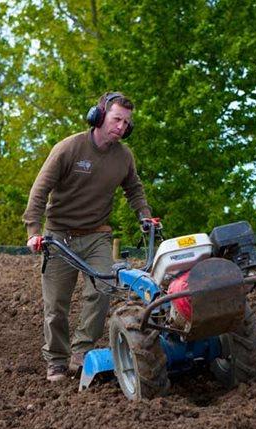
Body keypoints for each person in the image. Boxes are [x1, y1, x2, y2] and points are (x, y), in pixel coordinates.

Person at [22, 91, 154, 382]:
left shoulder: (123, 157)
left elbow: (134, 188)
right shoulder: (69, 148)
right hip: (59, 235)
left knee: (103, 287)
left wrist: (144, 215)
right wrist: (34, 231)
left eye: (126, 123)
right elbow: (39, 190)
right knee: (56, 304)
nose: (121, 127)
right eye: (117, 119)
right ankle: (56, 359)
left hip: (97, 234)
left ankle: (81, 351)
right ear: (99, 117)